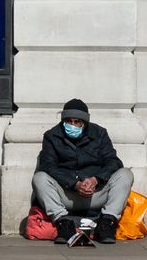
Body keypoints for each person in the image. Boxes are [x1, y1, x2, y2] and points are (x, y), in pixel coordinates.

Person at [32, 98, 133, 244]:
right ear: (63, 121)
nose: (73, 125)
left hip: (96, 193)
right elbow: (49, 166)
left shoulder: (99, 133)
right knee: (39, 178)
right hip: (67, 195)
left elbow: (113, 161)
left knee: (125, 174)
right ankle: (63, 223)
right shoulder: (52, 136)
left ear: (85, 123)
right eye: (69, 121)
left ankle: (107, 222)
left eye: (77, 122)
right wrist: (74, 184)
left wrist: (95, 179)